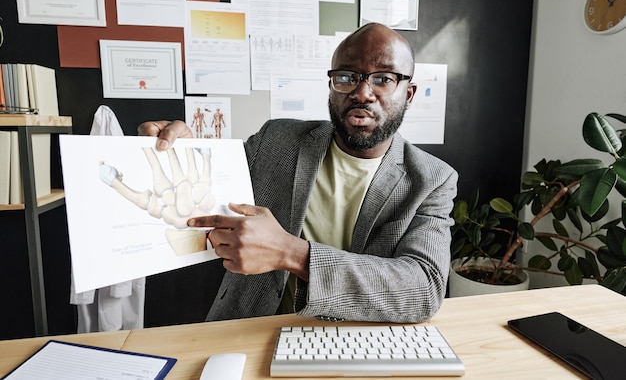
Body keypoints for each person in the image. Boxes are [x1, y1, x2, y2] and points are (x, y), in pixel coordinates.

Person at [138, 23, 458, 323]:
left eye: (383, 78)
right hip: (254, 327)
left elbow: (423, 291)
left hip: (363, 334)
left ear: (409, 93)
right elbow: (207, 189)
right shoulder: (277, 140)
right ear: (331, 86)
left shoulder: (432, 179)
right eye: (347, 77)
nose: (362, 93)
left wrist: (291, 254)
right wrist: (174, 154)